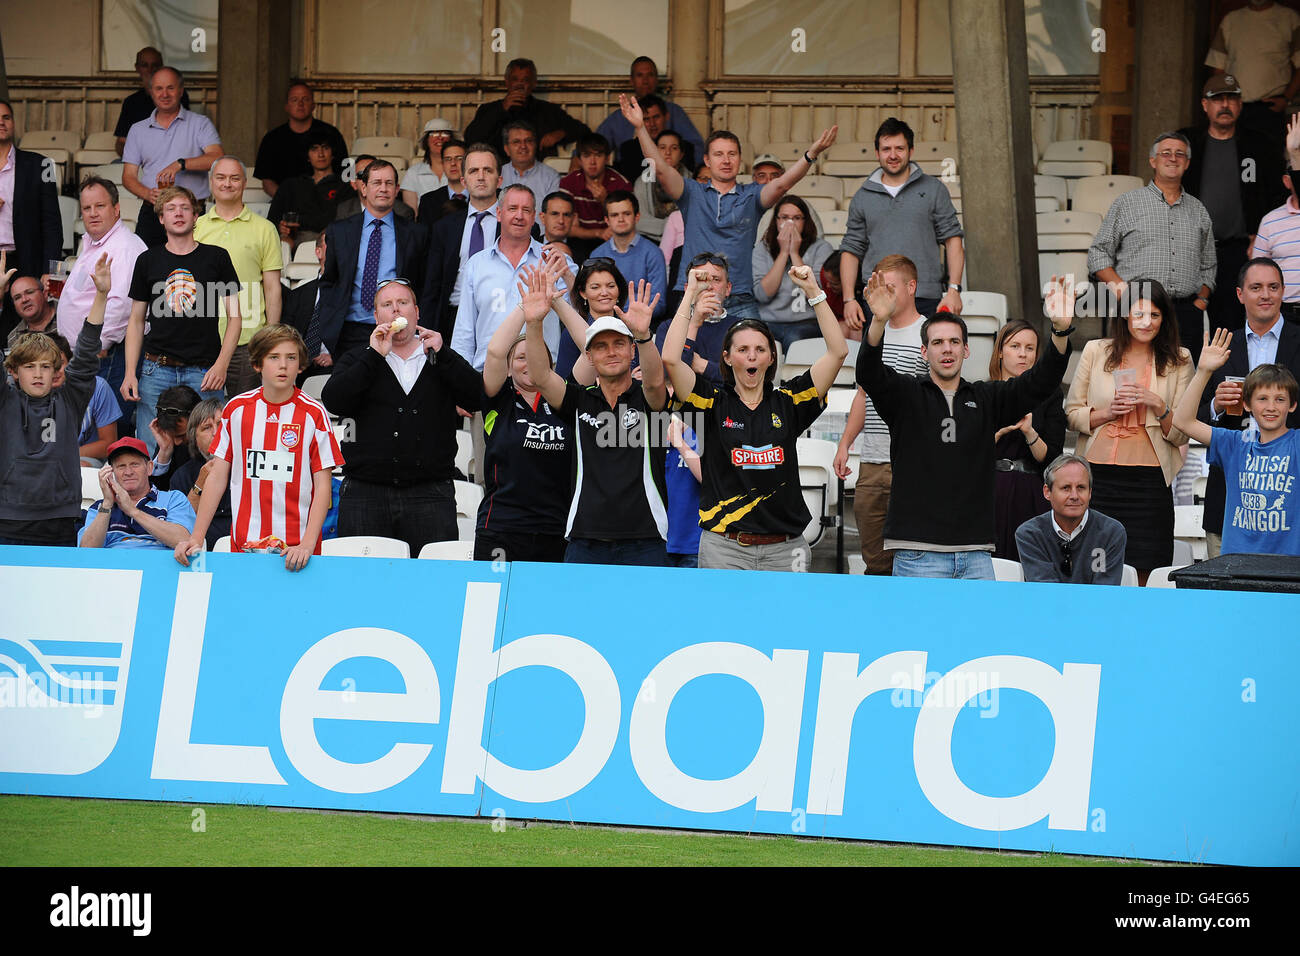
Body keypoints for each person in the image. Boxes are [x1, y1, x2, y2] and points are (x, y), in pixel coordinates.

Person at [858, 273, 1074, 579]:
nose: (947, 349)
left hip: (976, 553)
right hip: (918, 552)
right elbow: (869, 373)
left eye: (954, 342)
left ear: (966, 350)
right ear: (924, 352)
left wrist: (1061, 330)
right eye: (937, 342)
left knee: (981, 630)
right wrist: (878, 322)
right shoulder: (905, 395)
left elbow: (1041, 383)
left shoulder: (987, 398)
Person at [665, 263, 845, 571]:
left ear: (771, 358)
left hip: (786, 548)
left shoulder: (790, 401)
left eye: (760, 349)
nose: (751, 355)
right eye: (743, 349)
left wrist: (814, 292)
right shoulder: (711, 402)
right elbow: (670, 358)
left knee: (786, 621)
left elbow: (838, 352)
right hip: (725, 547)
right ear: (727, 357)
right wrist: (691, 296)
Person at [622, 93, 837, 321]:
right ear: (707, 160)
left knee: (754, 353)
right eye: (719, 154)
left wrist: (810, 155)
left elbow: (783, 183)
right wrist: (641, 129)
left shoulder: (752, 196)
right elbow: (662, 169)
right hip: (694, 294)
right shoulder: (691, 192)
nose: (726, 160)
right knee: (682, 356)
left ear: (740, 159)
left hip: (740, 297)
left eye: (732, 154)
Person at [321, 277, 481, 557]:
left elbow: (477, 397)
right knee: (363, 585)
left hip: (430, 494)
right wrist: (373, 356)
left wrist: (444, 355)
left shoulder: (440, 356)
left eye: (403, 303)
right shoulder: (359, 357)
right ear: (376, 316)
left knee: (430, 587)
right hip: (364, 493)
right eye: (387, 305)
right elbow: (335, 400)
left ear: (416, 312)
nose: (396, 310)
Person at [524, 275, 670, 566]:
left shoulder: (647, 398)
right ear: (589, 356)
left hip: (644, 538)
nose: (611, 351)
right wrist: (534, 323)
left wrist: (643, 336)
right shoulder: (580, 400)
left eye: (619, 343)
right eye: (601, 346)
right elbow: (540, 376)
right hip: (585, 539)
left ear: (632, 351)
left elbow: (655, 383)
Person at [176, 325, 341, 570]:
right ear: (257, 364)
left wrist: (307, 544)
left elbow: (323, 485)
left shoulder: (314, 414)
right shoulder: (236, 410)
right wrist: (197, 537)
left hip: (296, 551)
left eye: (291, 357)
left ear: (301, 365)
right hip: (245, 545)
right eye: (274, 357)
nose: (283, 365)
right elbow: (218, 476)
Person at [1065, 279, 1193, 582]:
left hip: (1149, 482)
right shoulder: (1096, 350)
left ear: (1165, 319)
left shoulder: (1180, 359)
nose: (1146, 323)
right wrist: (1107, 413)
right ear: (1124, 315)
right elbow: (1071, 414)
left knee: (1149, 568)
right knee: (1094, 568)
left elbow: (1181, 433)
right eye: (1138, 314)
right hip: (1099, 476)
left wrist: (1157, 404)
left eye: (1155, 315)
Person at [0, 253, 109, 547]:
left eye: (45, 367)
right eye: (30, 367)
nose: (38, 374)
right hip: (8, 517)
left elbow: (86, 352)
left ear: (55, 371)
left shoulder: (69, 400)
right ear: (13, 371)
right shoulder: (5, 401)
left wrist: (101, 295)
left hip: (60, 518)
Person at [122, 185, 242, 453]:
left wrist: (222, 365)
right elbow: (136, 321)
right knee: (150, 450)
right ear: (161, 218)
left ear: (196, 215)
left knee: (212, 451)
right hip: (156, 369)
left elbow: (235, 317)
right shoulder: (147, 260)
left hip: (205, 370)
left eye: (185, 208)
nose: (178, 214)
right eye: (170, 209)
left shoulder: (217, 257)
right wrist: (131, 372)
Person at [1195, 257, 1300, 556]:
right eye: (1256, 287)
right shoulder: (1222, 346)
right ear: (1240, 294)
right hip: (1228, 500)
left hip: (1289, 507)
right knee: (1229, 600)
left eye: (1273, 287)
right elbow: (1192, 416)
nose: (1265, 294)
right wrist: (1216, 404)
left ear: (1283, 291)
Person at [473, 264, 576, 563]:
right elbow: (494, 352)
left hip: (554, 531)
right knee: (492, 607)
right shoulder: (498, 399)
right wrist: (527, 307)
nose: (528, 362)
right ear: (508, 368)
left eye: (535, 355)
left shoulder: (564, 399)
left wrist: (556, 301)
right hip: (501, 530)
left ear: (550, 364)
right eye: (520, 357)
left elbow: (589, 352)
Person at [833, 254, 929, 575]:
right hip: (871, 463)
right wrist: (846, 442)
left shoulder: (931, 334)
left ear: (911, 286)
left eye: (890, 288)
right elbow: (863, 393)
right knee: (874, 562)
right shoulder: (875, 333)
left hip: (913, 464)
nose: (882, 296)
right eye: (878, 289)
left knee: (917, 559)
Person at [1088, 131, 1216, 363]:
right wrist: (1122, 291)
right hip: (1135, 307)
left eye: (1180, 154)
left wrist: (1201, 301)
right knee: (1130, 377)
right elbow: (1098, 253)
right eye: (1165, 153)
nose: (1173, 158)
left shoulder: (1198, 210)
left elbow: (1209, 263)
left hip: (1186, 313)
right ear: (1153, 161)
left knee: (1183, 383)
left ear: (1187, 163)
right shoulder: (1127, 203)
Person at [1175, 327, 1300, 556]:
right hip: (1235, 561)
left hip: (1287, 566)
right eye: (1262, 399)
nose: (1271, 407)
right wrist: (1203, 371)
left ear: (1292, 405)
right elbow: (1182, 421)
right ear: (1247, 405)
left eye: (1280, 399)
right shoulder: (1234, 443)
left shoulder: (1297, 444)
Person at [1179, 74, 1285, 336]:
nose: (1225, 104)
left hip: (1238, 251)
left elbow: (1277, 196)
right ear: (1205, 105)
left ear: (1240, 104)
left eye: (1232, 98)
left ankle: (1231, 378)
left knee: (1231, 327)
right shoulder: (1186, 143)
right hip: (1191, 250)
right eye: (1218, 99)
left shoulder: (1260, 145)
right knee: (1184, 324)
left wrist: (1260, 237)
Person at [840, 118, 963, 329]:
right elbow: (851, 250)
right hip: (877, 298)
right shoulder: (862, 196)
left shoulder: (934, 189)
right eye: (886, 149)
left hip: (924, 297)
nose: (893, 155)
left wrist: (953, 289)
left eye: (900, 148)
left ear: (911, 151)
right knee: (876, 362)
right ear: (877, 153)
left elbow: (953, 240)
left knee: (925, 361)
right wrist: (849, 299)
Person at [55, 175, 147, 434]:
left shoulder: (125, 247)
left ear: (116, 209)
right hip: (85, 355)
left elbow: (121, 306)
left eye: (100, 206)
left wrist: (99, 344)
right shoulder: (92, 242)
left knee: (105, 432)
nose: (92, 213)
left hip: (107, 355)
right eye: (86, 208)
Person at [316, 159, 431, 360]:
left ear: (397, 190)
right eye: (377, 183)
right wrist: (329, 324)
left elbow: (424, 285)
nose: (383, 189)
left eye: (389, 183)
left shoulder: (416, 233)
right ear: (363, 188)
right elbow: (329, 281)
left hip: (398, 330)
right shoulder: (340, 231)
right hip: (349, 331)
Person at [450, 184, 573, 372]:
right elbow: (464, 332)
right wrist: (460, 382)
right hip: (487, 372)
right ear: (499, 214)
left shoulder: (553, 259)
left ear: (534, 217)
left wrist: (567, 274)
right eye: (512, 208)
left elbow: (581, 312)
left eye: (526, 210)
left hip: (542, 374)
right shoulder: (476, 264)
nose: (519, 216)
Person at [194, 157, 284, 397]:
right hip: (202, 338)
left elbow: (273, 288)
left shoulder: (265, 229)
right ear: (211, 182)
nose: (227, 184)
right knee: (200, 421)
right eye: (220, 177)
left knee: (244, 418)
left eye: (234, 178)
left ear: (244, 183)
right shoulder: (196, 227)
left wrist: (270, 338)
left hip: (248, 339)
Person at [987, 319, 1067, 560]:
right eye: (1015, 346)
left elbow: (1053, 457)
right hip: (990, 491)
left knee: (1030, 564)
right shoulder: (982, 392)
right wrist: (999, 433)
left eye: (1030, 348)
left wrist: (1030, 433)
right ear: (1000, 351)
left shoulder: (1050, 395)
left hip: (1031, 491)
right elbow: (966, 453)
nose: (1023, 354)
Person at [121, 68, 224, 248]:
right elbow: (128, 177)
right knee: (147, 267)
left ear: (181, 90)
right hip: (154, 211)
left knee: (196, 270)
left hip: (193, 211)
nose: (165, 94)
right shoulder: (138, 129)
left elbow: (217, 158)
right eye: (159, 88)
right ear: (151, 92)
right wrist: (147, 194)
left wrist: (181, 164)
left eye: (171, 88)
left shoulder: (200, 123)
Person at [424, 144, 502, 337]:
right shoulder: (444, 227)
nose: (481, 176)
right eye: (474, 171)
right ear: (464, 181)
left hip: (500, 316)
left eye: (488, 170)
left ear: (499, 180)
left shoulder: (514, 223)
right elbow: (432, 285)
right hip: (454, 317)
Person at [0, 100, 62, 340]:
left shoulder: (40, 164)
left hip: (26, 257)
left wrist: (51, 270)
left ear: (14, 123)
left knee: (31, 332)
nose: (1, 123)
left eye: (6, 117)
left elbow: (52, 223)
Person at [1014, 455, 1127, 585]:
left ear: (1090, 492)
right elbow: (1046, 592)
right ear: (1047, 492)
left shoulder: (1111, 532)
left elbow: (1104, 594)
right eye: (1066, 488)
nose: (1074, 496)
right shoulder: (1030, 534)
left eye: (1081, 488)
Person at [77, 437, 196, 550]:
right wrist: (107, 504)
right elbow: (87, 551)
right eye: (121, 466)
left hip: (159, 568)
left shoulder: (173, 499)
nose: (128, 472)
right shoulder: (101, 508)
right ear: (112, 472)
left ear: (149, 468)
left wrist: (133, 511)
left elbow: (183, 540)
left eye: (135, 464)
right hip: (114, 568)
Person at [1205, 1, 1300, 140]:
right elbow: (1218, 66)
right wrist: (1223, 102)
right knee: (1234, 156)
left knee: (1268, 158)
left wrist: (1286, 99)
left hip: (1271, 108)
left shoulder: (1289, 18)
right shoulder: (1231, 20)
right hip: (1235, 108)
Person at [752, 195, 834, 352]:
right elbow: (763, 295)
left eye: (797, 218)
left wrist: (794, 253)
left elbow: (815, 295)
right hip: (770, 322)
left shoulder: (821, 248)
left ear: (805, 221)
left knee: (794, 340)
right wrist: (783, 253)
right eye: (784, 217)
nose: (790, 223)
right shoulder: (763, 249)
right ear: (776, 221)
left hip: (807, 322)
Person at [463, 58, 589, 159]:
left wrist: (562, 133)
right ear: (507, 82)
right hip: (499, 174)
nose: (519, 84)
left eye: (525, 80)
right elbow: (471, 138)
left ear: (534, 83)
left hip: (537, 174)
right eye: (515, 79)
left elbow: (584, 132)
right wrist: (502, 109)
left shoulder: (548, 111)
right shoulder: (489, 109)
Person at [595, 56, 705, 169]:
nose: (645, 81)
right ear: (631, 81)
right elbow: (594, 146)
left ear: (657, 79)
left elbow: (697, 148)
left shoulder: (674, 112)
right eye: (640, 75)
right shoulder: (619, 117)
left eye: (650, 75)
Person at [653, 252, 739, 387]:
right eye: (701, 280)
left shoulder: (742, 328)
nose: (709, 286)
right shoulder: (668, 327)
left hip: (728, 404)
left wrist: (702, 366)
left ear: (728, 288)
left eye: (716, 279)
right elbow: (669, 378)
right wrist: (694, 323)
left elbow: (747, 377)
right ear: (688, 289)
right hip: (686, 405)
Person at [252, 81, 348, 198]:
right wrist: (287, 201)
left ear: (313, 105)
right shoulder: (272, 139)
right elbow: (267, 182)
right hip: (286, 206)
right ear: (286, 106)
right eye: (294, 100)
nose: (300, 104)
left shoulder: (331, 134)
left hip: (328, 202)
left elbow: (346, 175)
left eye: (305, 99)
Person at [588, 190, 668, 325]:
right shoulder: (597, 255)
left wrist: (617, 310)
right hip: (605, 325)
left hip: (643, 326)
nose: (621, 219)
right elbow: (592, 299)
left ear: (637, 217)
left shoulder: (653, 253)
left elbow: (658, 303)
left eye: (626, 213)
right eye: (614, 215)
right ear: (607, 220)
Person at [1250, 113, 1300, 323]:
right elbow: (1257, 271)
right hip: (1283, 313)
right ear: (1286, 181)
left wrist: (1295, 154)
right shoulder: (1271, 221)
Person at [45, 331, 122, 467]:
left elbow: (108, 443)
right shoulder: (30, 393)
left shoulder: (97, 387)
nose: (55, 371)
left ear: (70, 362)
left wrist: (66, 454)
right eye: (48, 365)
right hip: (45, 461)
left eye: (60, 363)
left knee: (78, 466)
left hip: (86, 458)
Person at [167, 397, 232, 549]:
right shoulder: (182, 475)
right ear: (194, 437)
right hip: (200, 551)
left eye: (220, 424)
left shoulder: (246, 468)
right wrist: (201, 481)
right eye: (206, 427)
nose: (216, 433)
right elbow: (180, 522)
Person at [559, 133, 632, 260]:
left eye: (598, 155)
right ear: (579, 160)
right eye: (587, 156)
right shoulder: (569, 183)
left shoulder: (621, 183)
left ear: (607, 158)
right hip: (579, 242)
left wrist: (605, 200)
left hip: (612, 240)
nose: (592, 162)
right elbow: (566, 229)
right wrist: (598, 233)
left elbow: (628, 223)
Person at [267, 132, 346, 247]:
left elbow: (337, 221)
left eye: (325, 148)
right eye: (314, 149)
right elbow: (272, 220)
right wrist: (281, 227)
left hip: (329, 242)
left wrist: (299, 221)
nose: (321, 154)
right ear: (307, 156)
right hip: (291, 243)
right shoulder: (290, 186)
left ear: (333, 153)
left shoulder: (344, 186)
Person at [112, 47, 190, 157]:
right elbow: (122, 142)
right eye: (145, 65)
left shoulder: (177, 96)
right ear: (137, 68)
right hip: (139, 160)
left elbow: (183, 135)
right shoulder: (131, 102)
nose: (150, 70)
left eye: (155, 65)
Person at [633, 129, 688, 243]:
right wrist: (670, 226)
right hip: (649, 239)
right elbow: (638, 221)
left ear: (681, 154)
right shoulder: (642, 182)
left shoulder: (692, 181)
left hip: (683, 241)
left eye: (674, 148)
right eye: (662, 147)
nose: (668, 152)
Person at [144, 384, 200, 490]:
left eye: (182, 435)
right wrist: (164, 452)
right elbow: (157, 494)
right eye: (172, 436)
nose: (177, 442)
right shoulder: (168, 439)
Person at [333, 154, 415, 221]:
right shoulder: (344, 210)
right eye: (362, 175)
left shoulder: (402, 212)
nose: (367, 180)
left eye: (374, 176)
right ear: (353, 184)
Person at [612, 94, 670, 183]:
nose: (652, 124)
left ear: (666, 117)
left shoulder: (683, 147)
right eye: (646, 119)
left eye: (656, 117)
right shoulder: (629, 149)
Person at [500, 120, 561, 204]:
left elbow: (553, 213)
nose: (523, 146)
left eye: (528, 141)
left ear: (535, 145)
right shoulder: (497, 175)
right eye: (516, 142)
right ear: (506, 149)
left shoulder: (551, 177)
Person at [401, 118, 455, 211]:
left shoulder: (460, 170)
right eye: (434, 134)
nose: (440, 138)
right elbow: (412, 213)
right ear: (426, 140)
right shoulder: (413, 172)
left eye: (445, 133)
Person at [415, 140, 469, 224]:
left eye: (459, 158)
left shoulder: (481, 196)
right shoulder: (428, 201)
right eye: (448, 159)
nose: (453, 163)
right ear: (443, 164)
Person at [5, 275, 56, 349]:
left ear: (44, 294)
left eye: (29, 292)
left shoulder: (66, 313)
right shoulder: (14, 338)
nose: (24, 300)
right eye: (17, 297)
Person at [538, 190, 577, 259]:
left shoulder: (585, 250)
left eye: (566, 215)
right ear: (543, 218)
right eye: (555, 214)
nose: (561, 221)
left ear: (573, 219)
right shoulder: (528, 247)